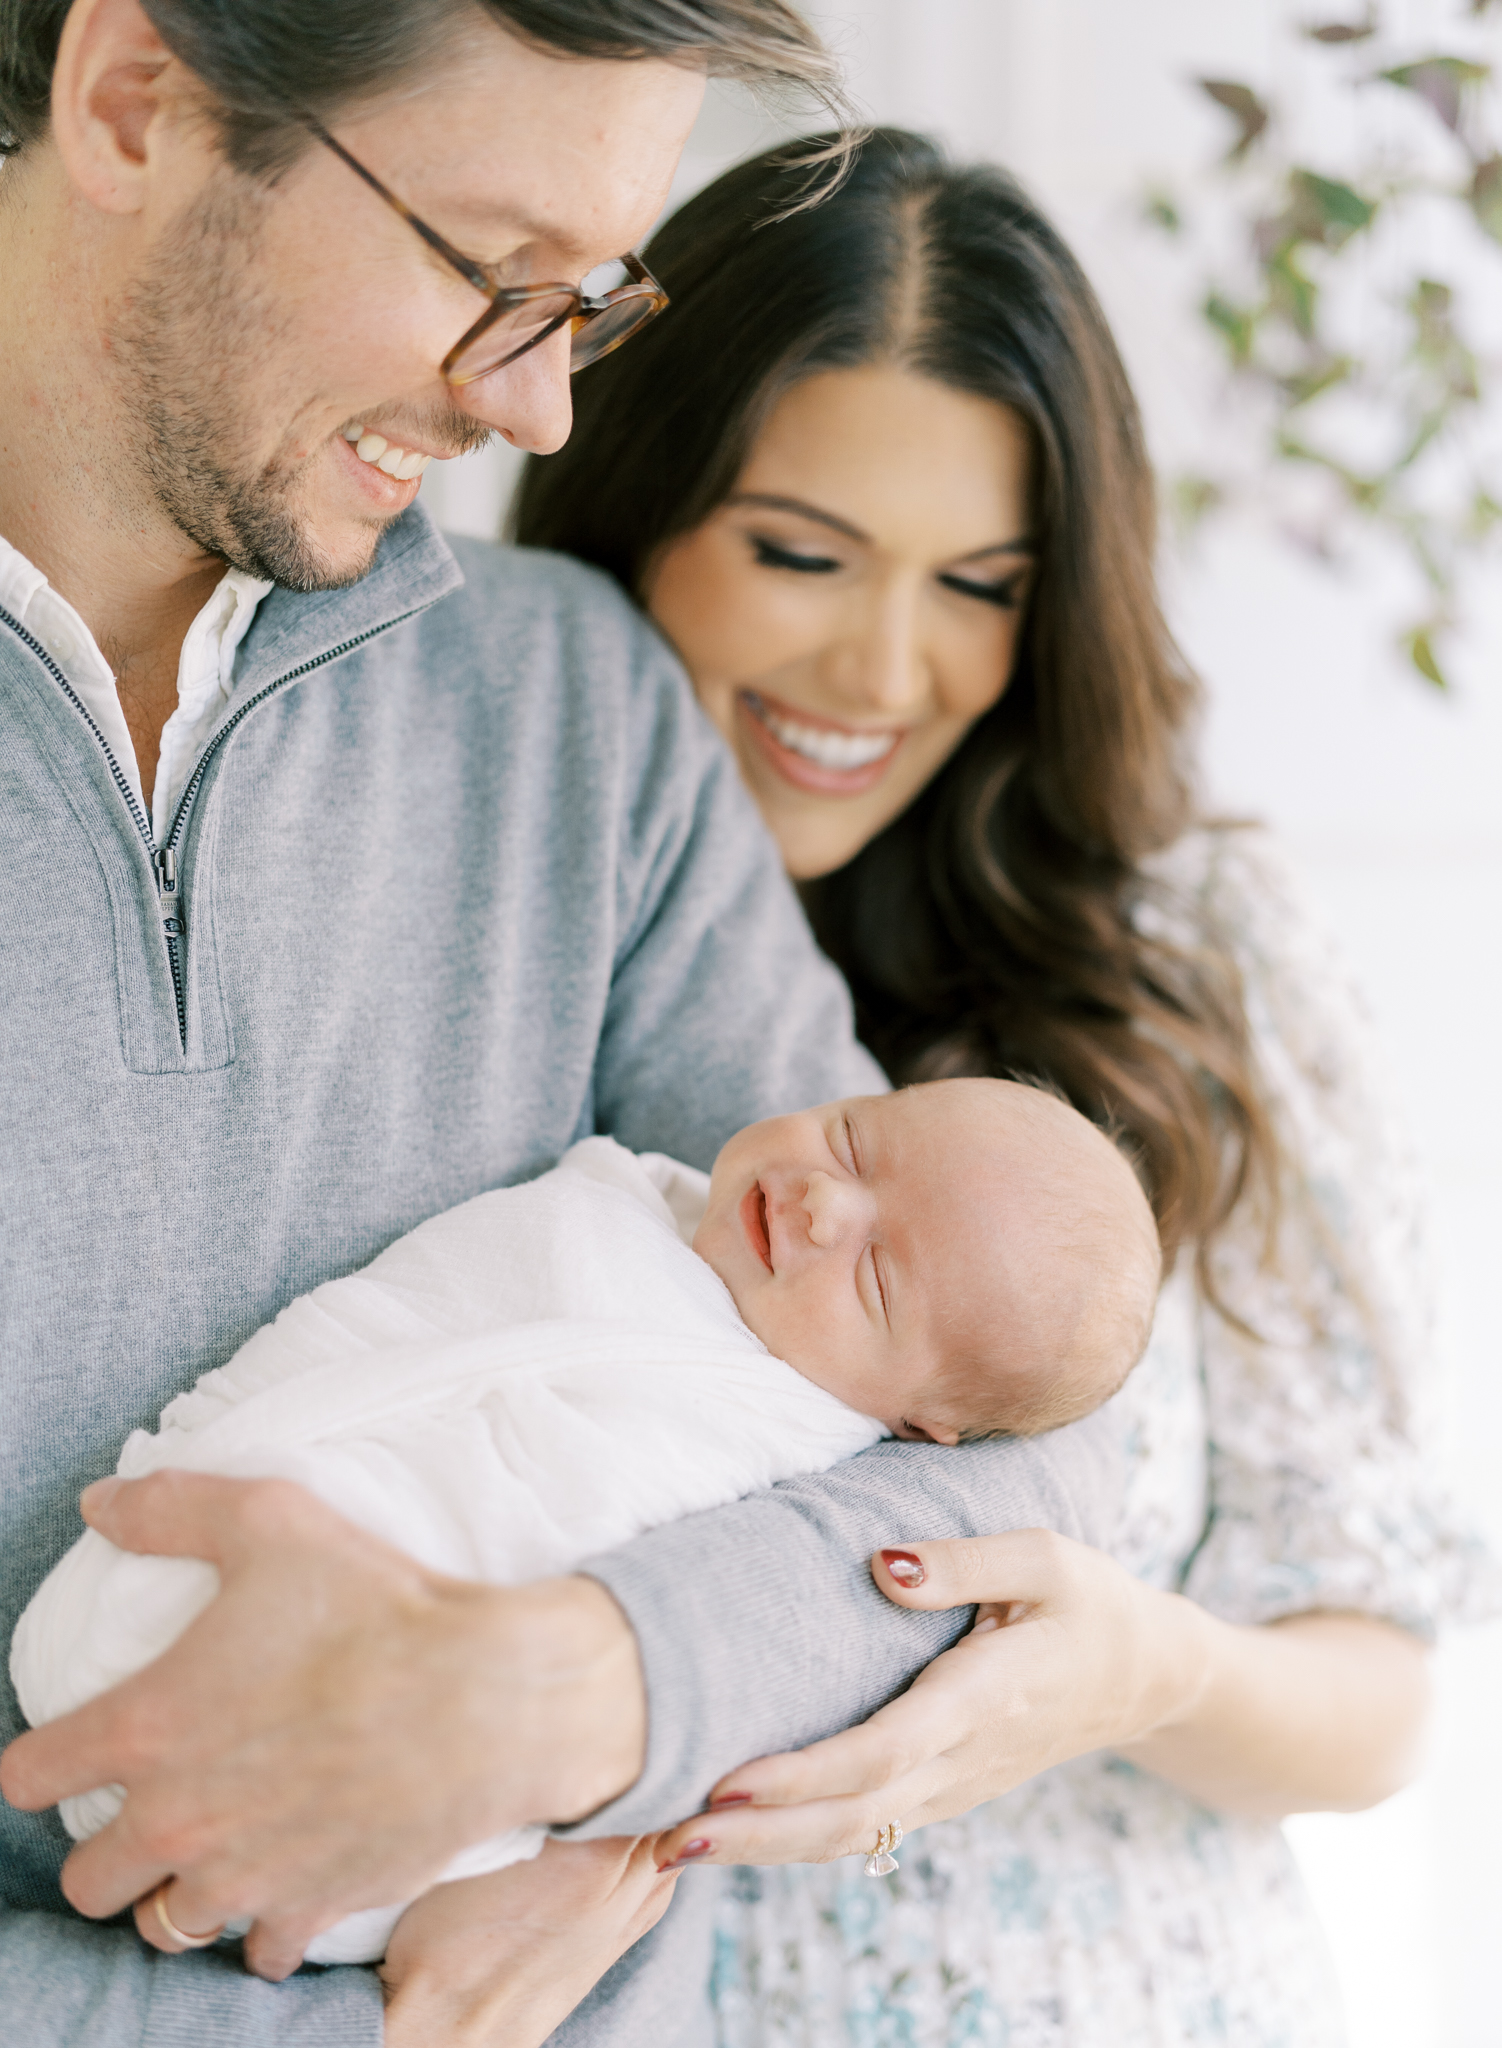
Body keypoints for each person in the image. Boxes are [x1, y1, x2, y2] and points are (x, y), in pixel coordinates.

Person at [0, 13, 1126, 2048]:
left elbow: (1006, 1454)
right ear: (132, 98)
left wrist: (568, 1697)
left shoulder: (575, 718)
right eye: (481, 262)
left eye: (583, 307)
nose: (533, 413)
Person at [513, 127, 1497, 2043]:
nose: (880, 663)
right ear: (629, 505)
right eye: (799, 554)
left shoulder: (1189, 953)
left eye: (977, 582)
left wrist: (1127, 1667)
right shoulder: (486, 951)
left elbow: (1371, 1693)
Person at [16, 1079, 1160, 1967]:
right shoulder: (629, 1197)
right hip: (213, 1512)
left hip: (369, 1750)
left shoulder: (790, 1437)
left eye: (873, 1280)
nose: (823, 1200)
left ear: (919, 1425)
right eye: (855, 1137)